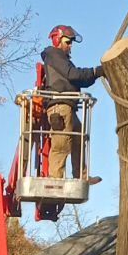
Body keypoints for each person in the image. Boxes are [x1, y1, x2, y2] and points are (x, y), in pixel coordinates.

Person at [40, 25, 104, 180]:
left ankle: (81, 176)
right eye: (68, 42)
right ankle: (55, 179)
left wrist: (95, 74)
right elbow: (73, 75)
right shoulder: (54, 55)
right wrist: (95, 72)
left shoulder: (63, 60)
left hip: (69, 105)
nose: (70, 46)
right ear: (57, 40)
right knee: (62, 143)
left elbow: (79, 80)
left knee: (78, 139)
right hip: (60, 106)